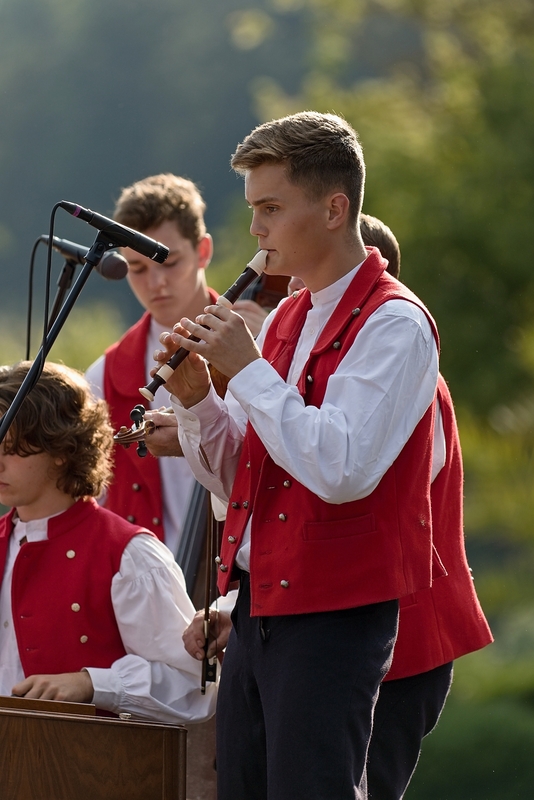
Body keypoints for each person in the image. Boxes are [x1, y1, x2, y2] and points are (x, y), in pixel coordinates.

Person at [153, 111, 444, 800]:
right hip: (262, 608)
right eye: (255, 209)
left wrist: (248, 371)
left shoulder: (396, 324)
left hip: (336, 617)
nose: (256, 229)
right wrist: (197, 400)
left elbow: (340, 470)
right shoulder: (288, 315)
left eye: (272, 208)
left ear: (335, 209)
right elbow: (245, 477)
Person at [0, 361, 217, 724]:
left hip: (90, 758)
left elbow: (195, 687)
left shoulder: (131, 555)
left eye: (11, 448)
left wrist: (93, 684)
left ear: (60, 448)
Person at [85, 173, 266, 573]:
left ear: (203, 251)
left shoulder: (259, 339)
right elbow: (90, 504)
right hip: (148, 582)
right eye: (137, 268)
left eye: (169, 263)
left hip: (247, 574)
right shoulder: (104, 375)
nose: (156, 283)